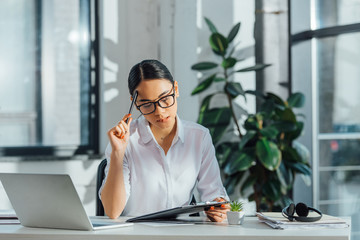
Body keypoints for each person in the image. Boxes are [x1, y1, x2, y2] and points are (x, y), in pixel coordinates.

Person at [99, 59, 230, 222]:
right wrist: (117, 153)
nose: (160, 112)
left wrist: (218, 208)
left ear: (175, 89)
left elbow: (215, 194)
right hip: (136, 234)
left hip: (182, 232)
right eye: (146, 104)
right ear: (134, 102)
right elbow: (112, 211)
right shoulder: (125, 139)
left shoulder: (198, 137)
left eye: (165, 99)